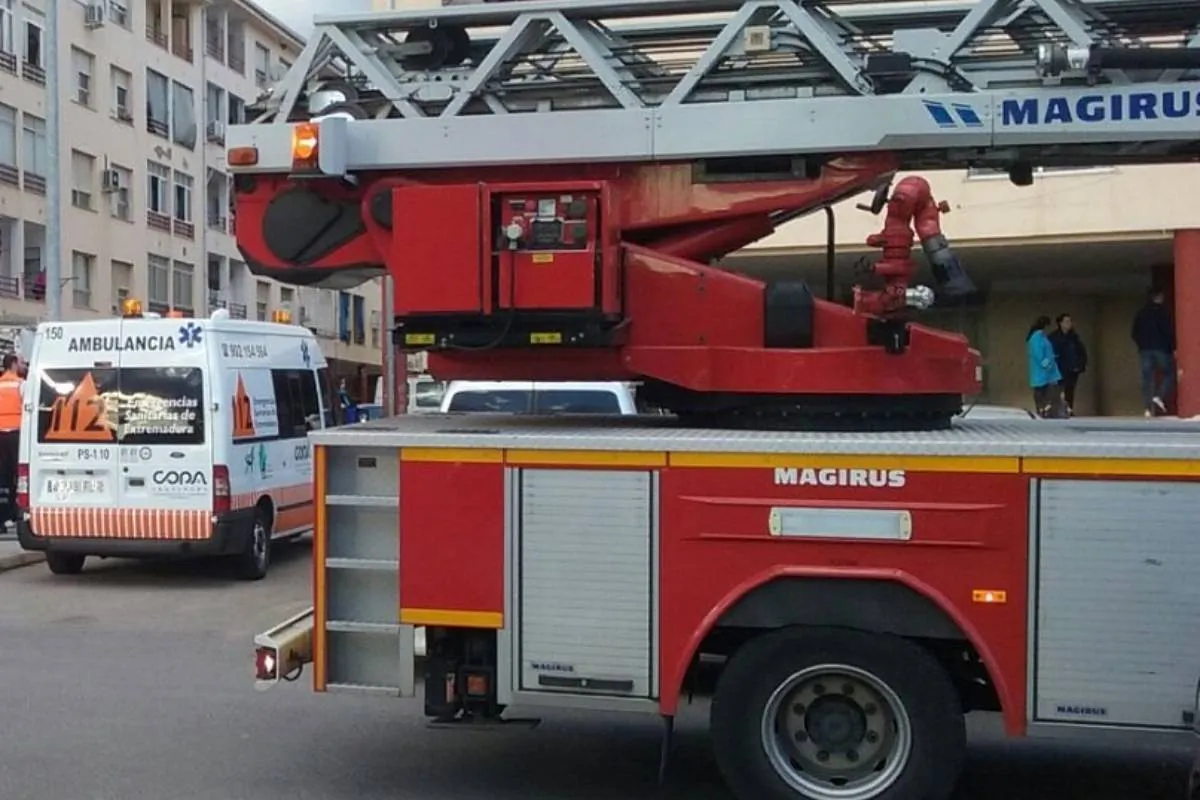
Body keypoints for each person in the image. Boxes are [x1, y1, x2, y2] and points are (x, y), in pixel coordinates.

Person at [1130, 288, 1176, 417]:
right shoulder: (1163, 312)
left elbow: (1134, 333)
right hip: (1161, 349)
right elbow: (1168, 331)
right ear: (1159, 297)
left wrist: (1141, 345)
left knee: (1147, 379)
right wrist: (1172, 348)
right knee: (1169, 373)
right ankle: (1159, 395)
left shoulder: (1141, 313)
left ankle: (1147, 408)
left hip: (1145, 350)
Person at [0, 353, 24, 524]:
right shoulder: (20, 384)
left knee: (3, 475)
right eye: (21, 362)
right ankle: (14, 513)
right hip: (16, 433)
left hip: (0, 434)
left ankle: (2, 516)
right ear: (14, 364)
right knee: (18, 474)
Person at [1048, 313, 1088, 416]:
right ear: (1060, 323)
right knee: (1057, 391)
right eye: (1066, 321)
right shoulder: (1053, 337)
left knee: (1070, 390)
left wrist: (1079, 365)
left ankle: (1069, 410)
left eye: (1070, 321)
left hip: (1072, 369)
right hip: (1059, 369)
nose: (1069, 324)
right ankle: (1057, 411)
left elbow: (1082, 352)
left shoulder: (1074, 337)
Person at [1026, 316, 1065, 418]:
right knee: (1042, 392)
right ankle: (1042, 410)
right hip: (1042, 371)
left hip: (1046, 371)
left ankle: (1046, 410)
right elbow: (1039, 354)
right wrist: (1047, 365)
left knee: (1049, 392)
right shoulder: (1037, 338)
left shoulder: (1041, 337)